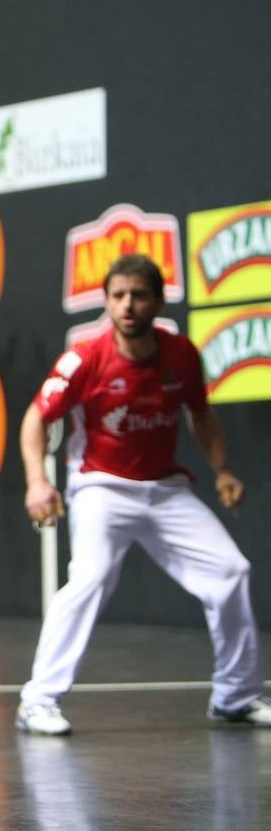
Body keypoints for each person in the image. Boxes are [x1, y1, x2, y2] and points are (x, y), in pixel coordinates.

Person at [16, 253, 268, 735]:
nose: (128, 305)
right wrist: (36, 481)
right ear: (107, 302)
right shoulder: (85, 358)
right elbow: (36, 418)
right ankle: (37, 700)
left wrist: (222, 469)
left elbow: (201, 413)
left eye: (139, 295)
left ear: (158, 301)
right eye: (117, 296)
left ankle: (236, 695)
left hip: (164, 488)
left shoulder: (181, 354)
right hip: (100, 486)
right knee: (89, 579)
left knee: (231, 571)